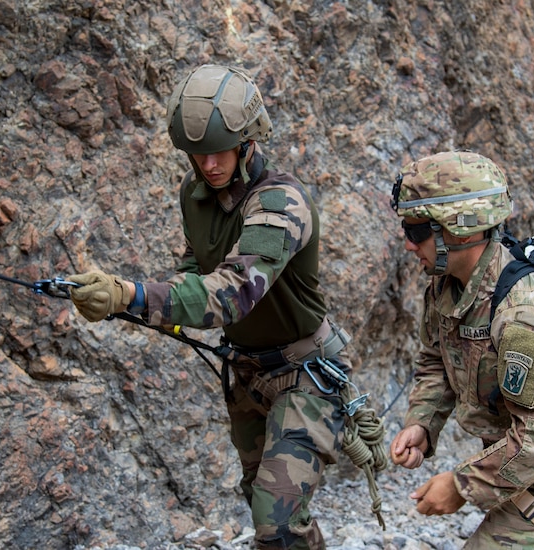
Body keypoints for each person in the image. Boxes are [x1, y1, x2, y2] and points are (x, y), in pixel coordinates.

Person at [66, 64, 355, 549]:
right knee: (264, 502)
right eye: (197, 155)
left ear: (248, 142)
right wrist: (134, 302)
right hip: (246, 372)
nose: (209, 165)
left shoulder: (281, 204)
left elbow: (233, 292)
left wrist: (131, 294)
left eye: (219, 152)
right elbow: (195, 271)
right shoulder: (195, 195)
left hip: (307, 372)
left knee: (275, 515)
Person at [388, 151, 534, 549]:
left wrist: (461, 485)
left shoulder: (526, 313)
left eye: (416, 232)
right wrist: (422, 423)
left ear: (461, 231)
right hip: (509, 465)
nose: (408, 244)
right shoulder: (447, 286)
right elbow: (437, 358)